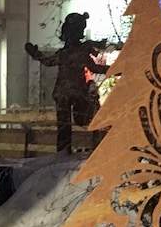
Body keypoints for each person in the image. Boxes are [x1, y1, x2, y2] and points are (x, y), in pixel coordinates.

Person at [25, 12, 107, 153]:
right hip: (76, 92)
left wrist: (35, 54)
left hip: (63, 92)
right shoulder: (79, 51)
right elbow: (94, 67)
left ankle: (63, 152)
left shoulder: (66, 52)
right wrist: (115, 69)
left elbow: (48, 61)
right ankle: (80, 149)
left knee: (63, 127)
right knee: (84, 116)